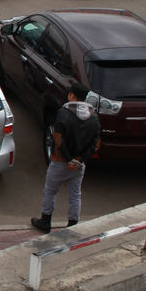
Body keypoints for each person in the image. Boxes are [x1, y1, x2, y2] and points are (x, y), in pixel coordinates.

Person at [32, 83, 101, 233]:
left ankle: (45, 221)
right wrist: (79, 160)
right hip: (78, 166)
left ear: (73, 96)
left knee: (50, 191)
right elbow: (95, 144)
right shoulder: (93, 117)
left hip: (60, 162)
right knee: (75, 195)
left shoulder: (63, 113)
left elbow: (58, 140)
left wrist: (69, 159)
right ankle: (73, 224)